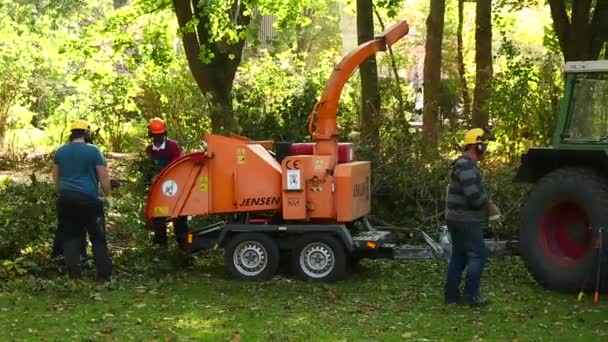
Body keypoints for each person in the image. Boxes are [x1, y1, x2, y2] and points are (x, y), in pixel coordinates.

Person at [443, 128, 499, 307]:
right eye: (484, 145)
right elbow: (473, 196)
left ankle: (451, 297)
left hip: (456, 218)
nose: (486, 149)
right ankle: (471, 296)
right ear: (477, 146)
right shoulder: (466, 166)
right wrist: (489, 207)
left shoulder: (463, 164)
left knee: (459, 256)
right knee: (478, 255)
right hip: (465, 219)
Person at [52, 119, 113, 282]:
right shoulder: (94, 151)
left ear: (71, 135)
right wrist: (108, 193)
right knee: (98, 238)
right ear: (87, 134)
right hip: (89, 201)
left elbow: (56, 178)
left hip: (67, 200)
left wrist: (61, 193)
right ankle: (103, 276)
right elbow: (103, 178)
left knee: (70, 238)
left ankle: (75, 277)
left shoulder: (60, 152)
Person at [145, 117, 188, 251]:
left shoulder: (173, 147)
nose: (158, 138)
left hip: (175, 187)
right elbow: (146, 169)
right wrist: (149, 178)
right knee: (158, 218)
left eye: (160, 135)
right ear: (151, 135)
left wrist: (160, 175)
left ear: (165, 134)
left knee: (179, 218)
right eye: (155, 135)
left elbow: (177, 166)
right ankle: (162, 247)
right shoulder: (149, 150)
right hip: (158, 190)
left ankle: (184, 248)